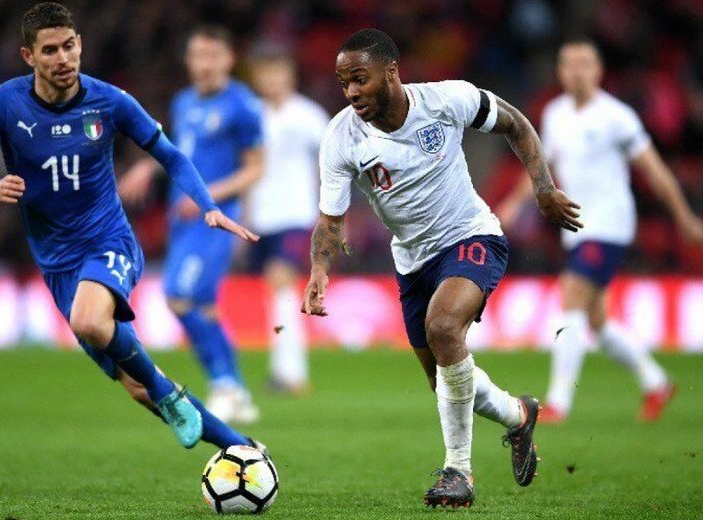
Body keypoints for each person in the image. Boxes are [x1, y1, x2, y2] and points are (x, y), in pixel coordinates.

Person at [0, 2, 266, 455]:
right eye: (50, 50)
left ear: (80, 44)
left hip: (108, 240)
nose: (63, 58)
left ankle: (166, 390)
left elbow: (172, 156)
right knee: (137, 387)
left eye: (69, 46)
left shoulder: (110, 101)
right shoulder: (3, 104)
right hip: (57, 263)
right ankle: (243, 448)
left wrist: (208, 206)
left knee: (90, 322)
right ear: (29, 56)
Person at [303, 29, 583, 508]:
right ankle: (518, 415)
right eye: (343, 82)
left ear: (391, 72)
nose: (351, 92)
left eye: (360, 79)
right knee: (446, 381)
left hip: (471, 236)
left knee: (443, 327)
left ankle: (458, 472)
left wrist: (543, 190)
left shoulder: (447, 100)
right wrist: (319, 270)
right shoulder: (341, 136)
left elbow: (516, 124)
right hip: (412, 260)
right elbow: (331, 219)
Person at [497, 38, 703, 423]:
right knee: (597, 322)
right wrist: (513, 204)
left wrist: (685, 218)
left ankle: (558, 403)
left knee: (571, 294)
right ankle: (657, 382)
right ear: (560, 71)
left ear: (598, 70)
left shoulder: (616, 117)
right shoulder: (556, 113)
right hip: (576, 226)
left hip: (609, 223)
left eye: (584, 63)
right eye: (569, 64)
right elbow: (541, 169)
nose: (576, 71)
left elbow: (655, 170)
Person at [119, 26, 263, 424]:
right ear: (188, 60)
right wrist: (148, 167)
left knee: (180, 296)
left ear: (229, 59)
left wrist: (208, 196)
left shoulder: (243, 106)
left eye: (213, 56)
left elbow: (255, 169)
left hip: (216, 219)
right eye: (199, 56)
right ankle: (235, 390)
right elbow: (180, 154)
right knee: (202, 305)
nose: (205, 64)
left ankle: (225, 384)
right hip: (181, 219)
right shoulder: (184, 102)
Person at [246, 48, 330, 394]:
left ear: (291, 76)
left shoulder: (309, 116)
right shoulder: (251, 114)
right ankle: (282, 369)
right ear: (256, 78)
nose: (272, 79)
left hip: (297, 213)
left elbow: (332, 163)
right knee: (275, 288)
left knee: (280, 280)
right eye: (265, 73)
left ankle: (292, 372)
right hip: (260, 216)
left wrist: (331, 213)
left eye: (278, 72)